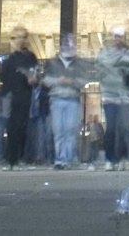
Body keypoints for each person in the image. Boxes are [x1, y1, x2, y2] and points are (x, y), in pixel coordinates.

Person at [43, 33, 89, 168]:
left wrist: (72, 81)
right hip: (56, 99)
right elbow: (45, 80)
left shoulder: (79, 63)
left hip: (73, 99)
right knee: (58, 130)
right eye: (67, 43)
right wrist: (58, 81)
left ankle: (67, 159)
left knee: (70, 130)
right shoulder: (52, 63)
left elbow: (84, 81)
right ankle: (59, 158)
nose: (69, 46)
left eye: (72, 43)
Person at [97, 27, 129, 169]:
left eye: (120, 36)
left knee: (124, 129)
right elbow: (99, 71)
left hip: (124, 97)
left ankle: (121, 158)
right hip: (109, 96)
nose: (117, 39)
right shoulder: (104, 54)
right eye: (116, 36)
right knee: (111, 129)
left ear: (124, 38)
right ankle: (109, 159)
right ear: (112, 37)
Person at [0, 26, 40, 167]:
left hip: (25, 95)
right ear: (13, 39)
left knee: (22, 127)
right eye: (18, 37)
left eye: (24, 37)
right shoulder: (9, 60)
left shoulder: (30, 57)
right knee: (11, 128)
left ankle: (21, 157)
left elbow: (36, 75)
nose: (21, 40)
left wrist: (32, 78)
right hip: (11, 97)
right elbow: (5, 81)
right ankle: (11, 158)